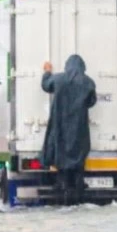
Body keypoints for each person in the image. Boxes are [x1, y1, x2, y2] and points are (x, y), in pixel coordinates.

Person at [40, 55, 97, 203]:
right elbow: (91, 102)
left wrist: (47, 71)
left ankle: (63, 191)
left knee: (62, 162)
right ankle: (78, 193)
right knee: (78, 164)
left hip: (61, 128)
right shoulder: (88, 82)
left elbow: (46, 85)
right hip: (79, 129)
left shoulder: (59, 79)